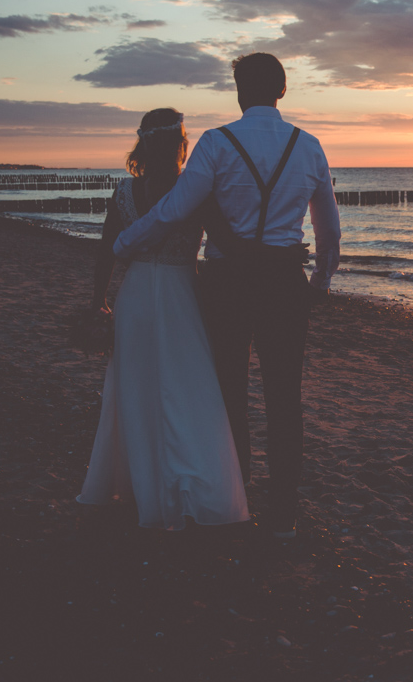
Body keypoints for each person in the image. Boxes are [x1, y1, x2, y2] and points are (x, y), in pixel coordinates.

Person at [113, 54, 341, 540]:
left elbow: (175, 209)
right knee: (285, 396)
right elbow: (330, 231)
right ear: (282, 91)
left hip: (228, 282)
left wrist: (125, 243)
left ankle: (235, 494)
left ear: (239, 92)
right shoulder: (310, 146)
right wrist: (320, 284)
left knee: (229, 393)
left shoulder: (217, 143)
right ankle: (283, 513)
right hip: (283, 283)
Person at [77, 107, 250, 530]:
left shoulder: (125, 192)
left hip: (134, 295)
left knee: (137, 389)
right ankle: (188, 485)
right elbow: (227, 242)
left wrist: (99, 300)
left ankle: (141, 487)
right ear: (180, 144)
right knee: (188, 388)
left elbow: (107, 250)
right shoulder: (198, 191)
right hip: (181, 297)